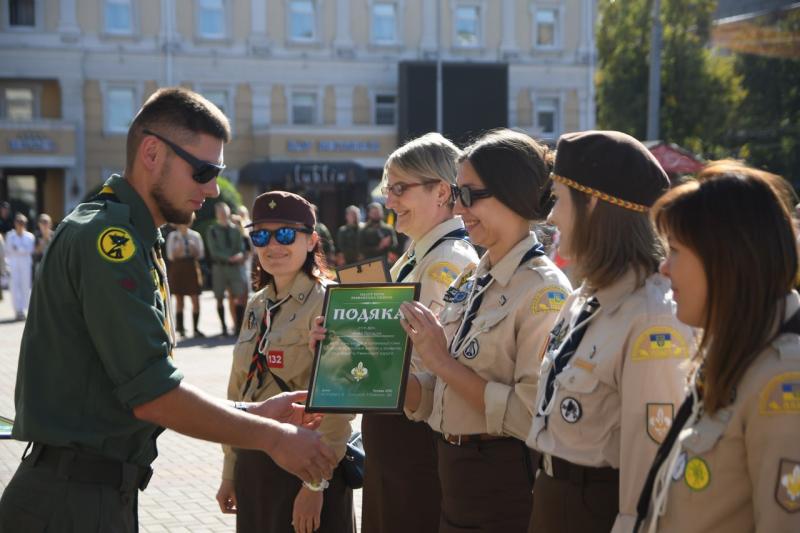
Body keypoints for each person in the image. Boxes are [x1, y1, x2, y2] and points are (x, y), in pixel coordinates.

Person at [0, 87, 337, 532]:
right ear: (152, 153)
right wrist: (273, 437)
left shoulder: (136, 236)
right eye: (203, 170)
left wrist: (253, 411)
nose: (213, 188)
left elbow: (148, 388)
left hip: (92, 491)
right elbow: (154, 394)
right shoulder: (109, 240)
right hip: (72, 499)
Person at [399, 129, 572, 532]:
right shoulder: (471, 279)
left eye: (470, 195)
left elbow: (529, 416)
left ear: (513, 194)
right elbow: (436, 396)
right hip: (455, 476)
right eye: (458, 195)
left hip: (503, 482)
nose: (459, 209)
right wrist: (370, 367)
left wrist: (442, 362)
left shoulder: (543, 291)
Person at [525, 130, 693, 533]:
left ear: (594, 205)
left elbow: (652, 461)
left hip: (597, 511)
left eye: (559, 200)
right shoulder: (585, 297)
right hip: (554, 497)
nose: (551, 217)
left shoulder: (652, 317)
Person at [636, 161, 800, 532]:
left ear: (725, 260)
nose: (664, 268)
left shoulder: (783, 378)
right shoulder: (736, 352)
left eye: (675, 250)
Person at [357, 132, 480, 533]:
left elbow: (427, 370)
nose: (388, 201)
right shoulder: (420, 253)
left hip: (414, 436)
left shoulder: (448, 261)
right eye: (387, 189)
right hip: (395, 431)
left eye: (399, 189)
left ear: (442, 191)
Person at [217, 191, 354, 533]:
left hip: (304, 466)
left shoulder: (331, 303)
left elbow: (337, 404)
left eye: (287, 234)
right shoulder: (257, 304)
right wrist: (230, 471)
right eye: (261, 235)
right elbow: (239, 390)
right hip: (255, 460)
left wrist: (314, 486)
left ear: (312, 241)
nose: (273, 245)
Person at [207, 202, 248, 336]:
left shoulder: (235, 230)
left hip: (234, 268)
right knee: (219, 297)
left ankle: (238, 326)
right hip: (220, 267)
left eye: (225, 213)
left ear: (229, 213)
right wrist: (228, 257)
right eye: (220, 213)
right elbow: (213, 251)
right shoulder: (212, 230)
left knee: (239, 296)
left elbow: (241, 247)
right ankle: (223, 327)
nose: (223, 215)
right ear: (217, 214)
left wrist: (240, 255)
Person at [166, 214, 205, 337]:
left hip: (192, 266)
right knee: (179, 299)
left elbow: (201, 254)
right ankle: (180, 328)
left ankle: (196, 328)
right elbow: (170, 255)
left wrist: (194, 250)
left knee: (195, 299)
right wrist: (178, 250)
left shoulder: (195, 235)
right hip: (178, 267)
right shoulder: (173, 236)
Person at [6, 213, 35, 320]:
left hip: (25, 263)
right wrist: (20, 249)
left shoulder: (29, 236)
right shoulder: (10, 235)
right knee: (14, 286)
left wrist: (18, 249)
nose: (20, 224)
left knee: (25, 286)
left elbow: (29, 250)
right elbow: (9, 249)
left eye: (23, 222)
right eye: (18, 222)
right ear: (15, 223)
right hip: (14, 263)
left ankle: (23, 309)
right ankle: (17, 310)